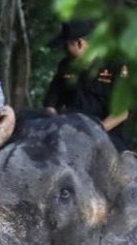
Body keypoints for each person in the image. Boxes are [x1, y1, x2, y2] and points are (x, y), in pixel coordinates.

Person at [43, 19, 130, 151]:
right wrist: (57, 125)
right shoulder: (65, 66)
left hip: (106, 133)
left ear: (79, 43)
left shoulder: (115, 66)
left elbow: (121, 112)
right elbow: (51, 104)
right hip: (69, 130)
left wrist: (95, 131)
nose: (64, 50)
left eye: (66, 46)